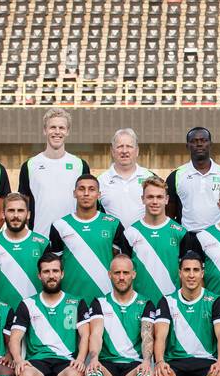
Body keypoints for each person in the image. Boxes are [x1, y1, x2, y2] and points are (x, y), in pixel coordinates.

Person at [7, 252, 99, 376]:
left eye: (55, 271)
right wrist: (18, 360)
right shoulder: (28, 304)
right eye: (46, 271)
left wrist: (81, 360)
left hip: (65, 363)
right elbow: (15, 338)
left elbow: (85, 335)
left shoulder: (76, 302)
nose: (51, 275)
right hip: (37, 362)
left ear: (62, 274)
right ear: (39, 276)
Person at [84, 254, 159, 376]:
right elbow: (96, 334)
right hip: (107, 364)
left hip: (132, 365)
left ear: (133, 274)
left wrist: (146, 361)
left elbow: (147, 337)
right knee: (92, 372)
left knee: (145, 374)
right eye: (117, 273)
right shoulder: (99, 302)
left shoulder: (145, 303)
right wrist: (94, 357)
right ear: (110, 275)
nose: (122, 277)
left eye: (126, 272)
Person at [151, 255, 220, 376]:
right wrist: (160, 362)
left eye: (196, 270)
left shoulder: (215, 300)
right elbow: (160, 337)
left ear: (202, 273)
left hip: (206, 361)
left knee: (218, 373)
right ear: (180, 273)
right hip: (175, 362)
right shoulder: (167, 301)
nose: (191, 275)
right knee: (162, 374)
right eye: (187, 270)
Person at [47, 174, 130, 303]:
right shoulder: (59, 226)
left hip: (105, 298)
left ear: (99, 194)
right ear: (74, 193)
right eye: (81, 189)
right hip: (70, 298)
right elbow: (55, 265)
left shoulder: (113, 224)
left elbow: (120, 262)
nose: (86, 193)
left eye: (91, 189)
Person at [19, 107, 90, 235]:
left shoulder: (80, 165)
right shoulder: (30, 166)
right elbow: (23, 208)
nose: (57, 132)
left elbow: (88, 205)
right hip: (40, 239)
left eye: (61, 128)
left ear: (67, 131)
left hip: (73, 237)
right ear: (45, 130)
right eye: (52, 127)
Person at [0, 192, 49, 308]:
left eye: (20, 211)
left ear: (29, 214)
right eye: (11, 211)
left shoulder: (42, 243)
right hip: (2, 313)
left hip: (36, 312)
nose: (16, 215)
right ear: (3, 214)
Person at [122, 176, 185, 302]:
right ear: (143, 199)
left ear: (166, 200)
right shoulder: (130, 233)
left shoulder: (181, 233)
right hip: (140, 304)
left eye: (159, 197)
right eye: (150, 197)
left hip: (172, 305)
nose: (155, 201)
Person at [166, 126, 220, 233]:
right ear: (187, 146)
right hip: (187, 237)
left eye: (203, 140)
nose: (199, 144)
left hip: (219, 237)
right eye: (194, 141)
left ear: (210, 144)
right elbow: (169, 213)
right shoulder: (176, 176)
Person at [96, 128, 157, 228]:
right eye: (120, 146)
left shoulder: (151, 178)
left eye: (129, 146)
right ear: (112, 151)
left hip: (144, 240)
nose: (124, 151)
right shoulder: (100, 181)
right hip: (112, 241)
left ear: (137, 151)